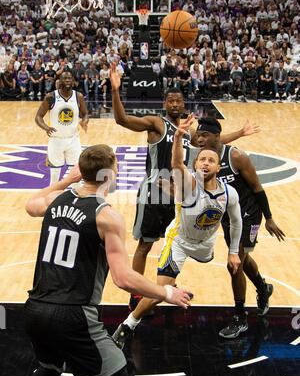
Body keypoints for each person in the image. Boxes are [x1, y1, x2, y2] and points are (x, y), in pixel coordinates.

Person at [23, 145, 191, 376]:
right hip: (73, 314)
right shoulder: (106, 216)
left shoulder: (55, 200)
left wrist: (66, 181)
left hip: (35, 308)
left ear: (82, 171)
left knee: (48, 370)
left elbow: (30, 205)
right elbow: (122, 278)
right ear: (110, 175)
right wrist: (165, 292)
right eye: (116, 167)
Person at [110, 62, 260, 311]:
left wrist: (239, 133)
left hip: (180, 196)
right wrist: (115, 90)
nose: (176, 104)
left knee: (176, 242)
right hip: (154, 193)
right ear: (165, 104)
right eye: (171, 101)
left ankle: (168, 288)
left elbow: (214, 141)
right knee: (145, 245)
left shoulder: (189, 133)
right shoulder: (156, 124)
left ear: (184, 104)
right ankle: (136, 295)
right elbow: (122, 119)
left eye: (179, 101)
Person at [112, 116, 243, 349]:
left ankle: (242, 308)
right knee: (160, 290)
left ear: (218, 167)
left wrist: (233, 252)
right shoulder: (188, 185)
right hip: (180, 242)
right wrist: (179, 138)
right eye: (201, 159)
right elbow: (176, 165)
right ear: (195, 165)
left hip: (205, 245)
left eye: (210, 160)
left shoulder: (229, 192)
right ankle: (127, 326)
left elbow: (236, 221)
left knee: (233, 264)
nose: (205, 163)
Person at [193, 118, 285, 339]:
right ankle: (263, 288)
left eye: (204, 135)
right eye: (199, 135)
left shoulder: (235, 157)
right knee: (242, 261)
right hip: (228, 215)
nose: (200, 139)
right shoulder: (204, 157)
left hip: (248, 214)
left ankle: (240, 318)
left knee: (233, 264)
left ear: (216, 136)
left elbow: (256, 187)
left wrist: (269, 218)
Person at [35, 71, 88, 185]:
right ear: (59, 81)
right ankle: (52, 198)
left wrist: (85, 121)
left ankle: (76, 199)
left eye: (70, 78)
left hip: (73, 139)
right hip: (56, 139)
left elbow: (85, 114)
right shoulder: (50, 97)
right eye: (65, 78)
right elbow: (38, 117)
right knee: (54, 177)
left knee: (77, 175)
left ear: (73, 81)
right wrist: (46, 128)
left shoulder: (78, 96)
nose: (68, 80)